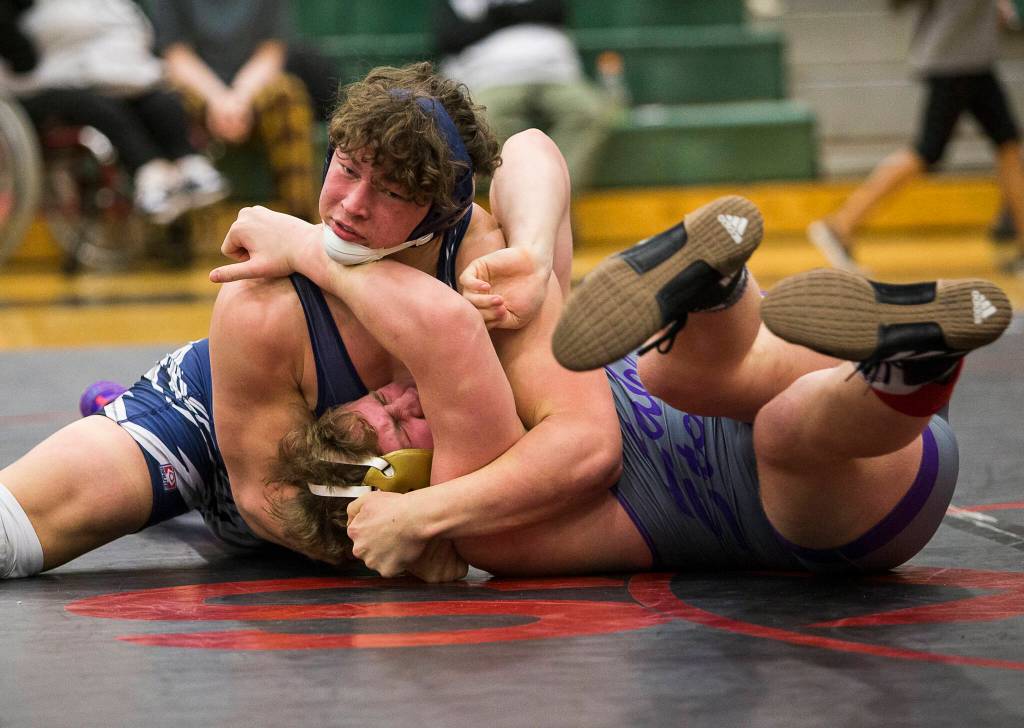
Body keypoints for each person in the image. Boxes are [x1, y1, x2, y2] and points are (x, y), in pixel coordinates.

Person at [1, 63, 608, 580]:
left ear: (440, 209)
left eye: (393, 192)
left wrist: (532, 251)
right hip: (215, 422)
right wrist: (407, 546)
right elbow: (268, 500)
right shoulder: (265, 299)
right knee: (17, 529)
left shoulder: (482, 264)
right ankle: (122, 415)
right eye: (346, 167)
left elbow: (530, 151)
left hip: (359, 472)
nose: (350, 205)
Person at [212, 191, 1011, 579]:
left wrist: (526, 245)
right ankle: (910, 368)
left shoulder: (511, 362)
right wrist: (414, 524)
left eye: (382, 397)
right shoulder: (492, 522)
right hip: (847, 506)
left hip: (759, 380)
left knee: (677, 371)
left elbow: (527, 152)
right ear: (401, 479)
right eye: (396, 430)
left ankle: (728, 293)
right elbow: (451, 346)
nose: (403, 398)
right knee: (781, 428)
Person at [807, 0, 1024, 276]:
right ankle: (841, 224)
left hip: (969, 57)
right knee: (928, 151)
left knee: (1007, 144)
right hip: (957, 59)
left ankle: (842, 224)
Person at [0, 0, 229, 225]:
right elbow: (24, 60)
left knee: (159, 98)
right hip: (34, 90)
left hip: (103, 73)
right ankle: (150, 171)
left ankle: (189, 164)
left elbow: (134, 29)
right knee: (97, 104)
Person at [150, 0, 323, 221]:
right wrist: (218, 99)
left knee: (288, 95)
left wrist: (240, 98)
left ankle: (301, 222)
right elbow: (175, 54)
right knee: (162, 104)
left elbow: (271, 50)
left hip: (253, 87)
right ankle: (179, 235)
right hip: (196, 88)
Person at [433, 0, 617, 195]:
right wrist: (518, 14)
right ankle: (526, 206)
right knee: (485, 122)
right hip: (489, 77)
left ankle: (551, 199)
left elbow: (554, 11)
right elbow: (451, 36)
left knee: (592, 111)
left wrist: (495, 15)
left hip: (555, 73)